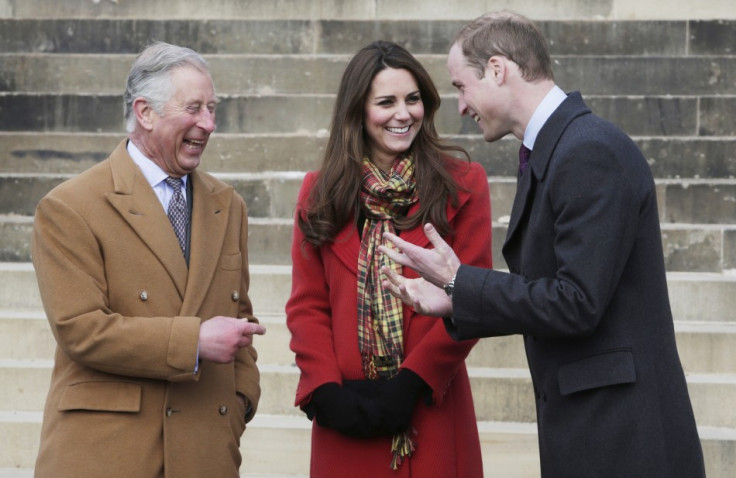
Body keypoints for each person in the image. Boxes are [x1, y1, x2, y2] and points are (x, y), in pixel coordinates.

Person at [379, 11, 706, 478]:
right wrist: (456, 298)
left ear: (497, 69)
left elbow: (576, 302)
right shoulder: (559, 147)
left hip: (623, 438)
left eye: (460, 86)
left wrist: (460, 282)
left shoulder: (588, 150)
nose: (460, 106)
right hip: (594, 427)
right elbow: (555, 292)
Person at [31, 41, 266, 478]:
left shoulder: (228, 204)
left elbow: (240, 318)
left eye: (212, 108)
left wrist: (240, 403)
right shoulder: (69, 206)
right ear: (145, 112)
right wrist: (192, 342)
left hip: (205, 451)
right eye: (194, 108)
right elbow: (80, 330)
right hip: (110, 454)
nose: (209, 124)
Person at [285, 40, 492, 477]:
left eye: (413, 99)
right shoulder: (318, 193)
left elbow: (474, 298)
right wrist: (324, 390)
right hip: (346, 416)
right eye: (386, 102)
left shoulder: (465, 184)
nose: (404, 114)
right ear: (358, 110)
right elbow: (307, 305)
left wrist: (412, 382)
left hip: (430, 407)